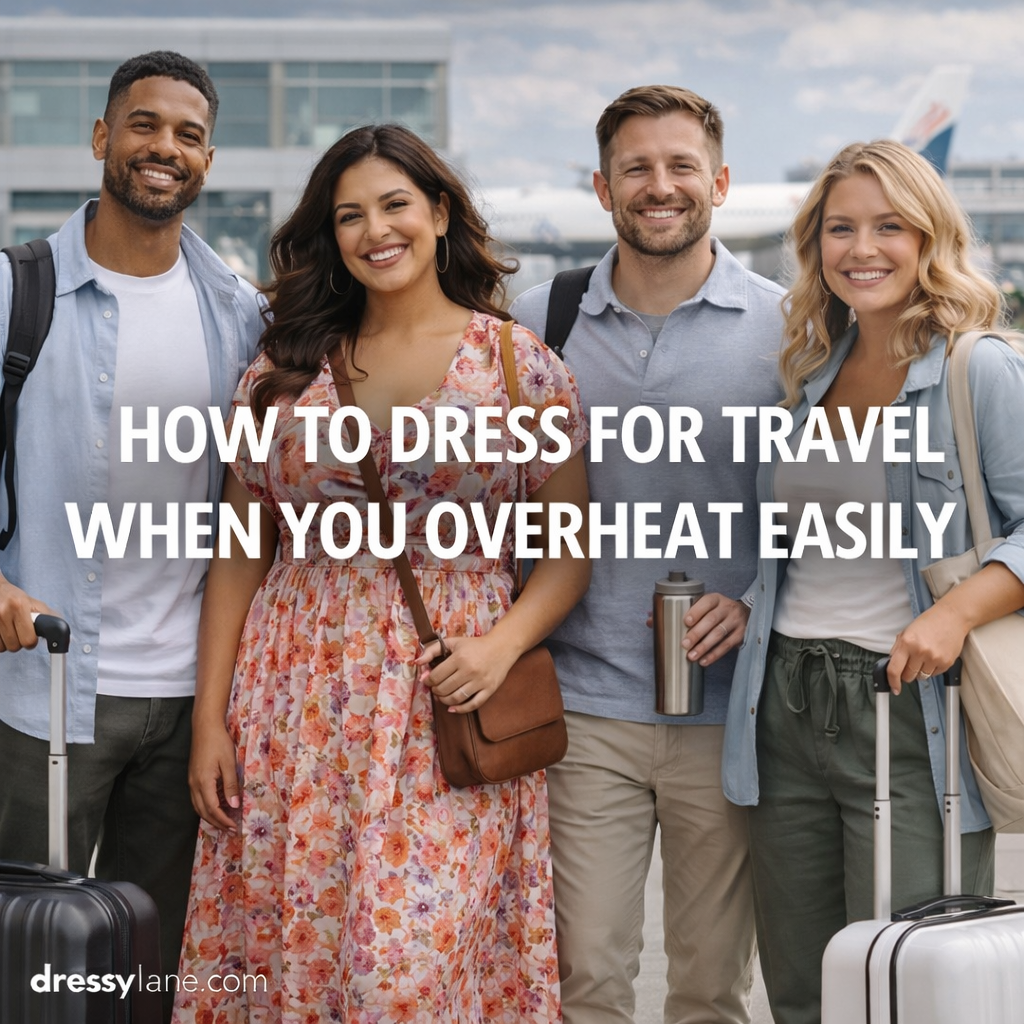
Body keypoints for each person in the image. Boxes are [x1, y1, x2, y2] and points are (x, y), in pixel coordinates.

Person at [172, 122, 591, 1023]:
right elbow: (241, 552)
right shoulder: (282, 369)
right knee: (303, 949)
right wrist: (210, 718)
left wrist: (499, 646)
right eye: (350, 215)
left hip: (449, 703)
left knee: (406, 979)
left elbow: (568, 551)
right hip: (296, 703)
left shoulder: (518, 365)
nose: (375, 231)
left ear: (438, 213)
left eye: (395, 204)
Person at [723, 139, 1024, 1024]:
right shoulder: (806, 373)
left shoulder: (977, 367)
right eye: (840, 228)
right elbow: (810, 546)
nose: (863, 248)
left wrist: (955, 612)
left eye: (889, 226)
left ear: (930, 236)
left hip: (908, 702)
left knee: (908, 987)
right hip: (782, 700)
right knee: (804, 990)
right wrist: (746, 602)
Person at [510, 84, 784, 1024]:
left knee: (710, 987)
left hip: (729, 715)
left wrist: (754, 596)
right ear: (603, 187)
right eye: (636, 168)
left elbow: (821, 511)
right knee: (585, 977)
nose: (659, 186)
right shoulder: (538, 322)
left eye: (680, 166)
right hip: (584, 706)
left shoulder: (790, 330)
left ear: (721, 182)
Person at [0, 51, 262, 1021]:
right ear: (102, 137)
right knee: (29, 969)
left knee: (152, 974)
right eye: (144, 124)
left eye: (189, 134)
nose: (165, 147)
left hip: (191, 706)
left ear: (207, 160)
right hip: (43, 696)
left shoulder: (240, 314)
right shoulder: (15, 292)